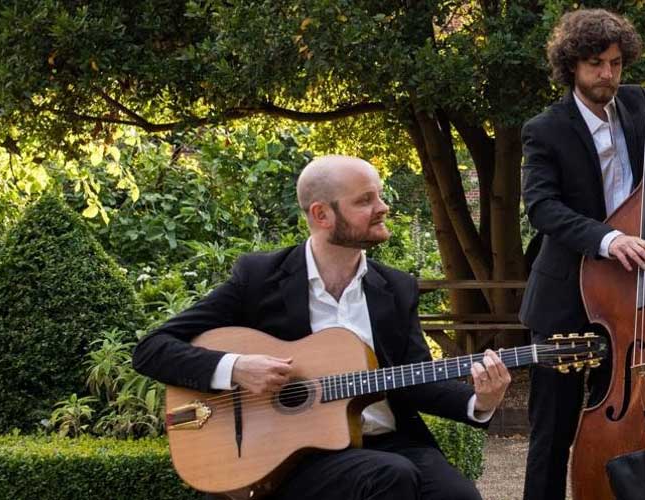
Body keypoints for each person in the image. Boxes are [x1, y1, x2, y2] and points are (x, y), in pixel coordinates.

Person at [132, 155, 511, 500]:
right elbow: (152, 348)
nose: (383, 208)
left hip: (389, 442)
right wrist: (236, 368)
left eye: (378, 196)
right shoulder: (260, 278)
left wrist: (481, 401)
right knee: (389, 478)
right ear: (321, 214)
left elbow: (414, 379)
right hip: (293, 456)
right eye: (365, 201)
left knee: (457, 496)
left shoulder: (395, 288)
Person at [518, 8, 645, 500]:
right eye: (595, 64)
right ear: (572, 65)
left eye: (615, 63)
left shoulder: (639, 105)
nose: (608, 75)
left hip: (633, 301)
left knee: (625, 421)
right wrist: (609, 239)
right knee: (551, 432)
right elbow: (543, 208)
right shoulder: (545, 128)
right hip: (566, 299)